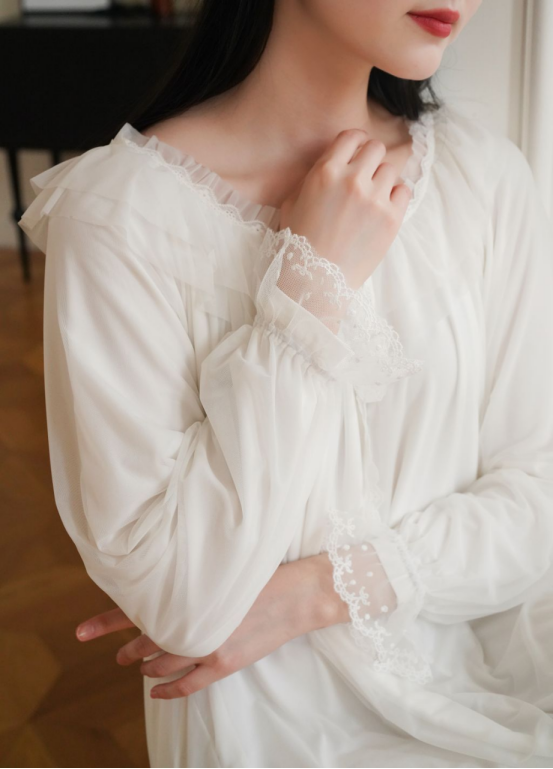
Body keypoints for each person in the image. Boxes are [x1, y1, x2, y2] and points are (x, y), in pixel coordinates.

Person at [18, 0, 553, 766]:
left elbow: (537, 495)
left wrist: (315, 591)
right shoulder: (121, 218)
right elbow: (183, 605)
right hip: (273, 729)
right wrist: (310, 287)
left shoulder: (484, 179)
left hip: (493, 673)